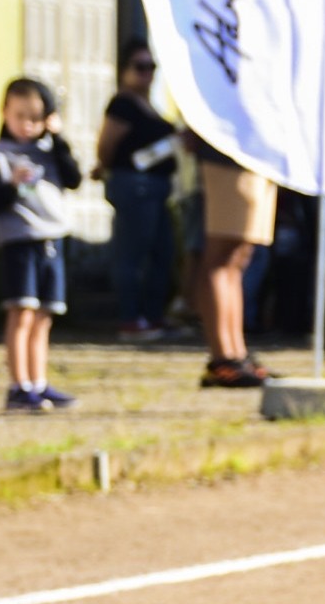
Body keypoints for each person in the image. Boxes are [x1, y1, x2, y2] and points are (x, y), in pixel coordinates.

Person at [0, 79, 83, 412]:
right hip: (19, 242)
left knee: (43, 316)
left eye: (35, 117)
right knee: (21, 313)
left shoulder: (50, 152)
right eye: (19, 115)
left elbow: (74, 178)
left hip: (52, 241)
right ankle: (18, 386)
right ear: (4, 112)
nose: (27, 124)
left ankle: (39, 382)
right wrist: (11, 186)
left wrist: (59, 137)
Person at [92, 38, 178, 342]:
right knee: (131, 253)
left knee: (161, 252)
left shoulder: (149, 105)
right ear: (125, 70)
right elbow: (106, 143)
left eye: (151, 67)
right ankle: (130, 318)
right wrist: (105, 167)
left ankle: (152, 315)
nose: (147, 74)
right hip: (134, 185)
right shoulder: (123, 104)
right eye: (140, 67)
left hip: (156, 187)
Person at [192, 135, 280, 388]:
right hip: (231, 151)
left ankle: (237, 353)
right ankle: (223, 358)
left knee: (240, 256)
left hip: (259, 154)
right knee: (221, 257)